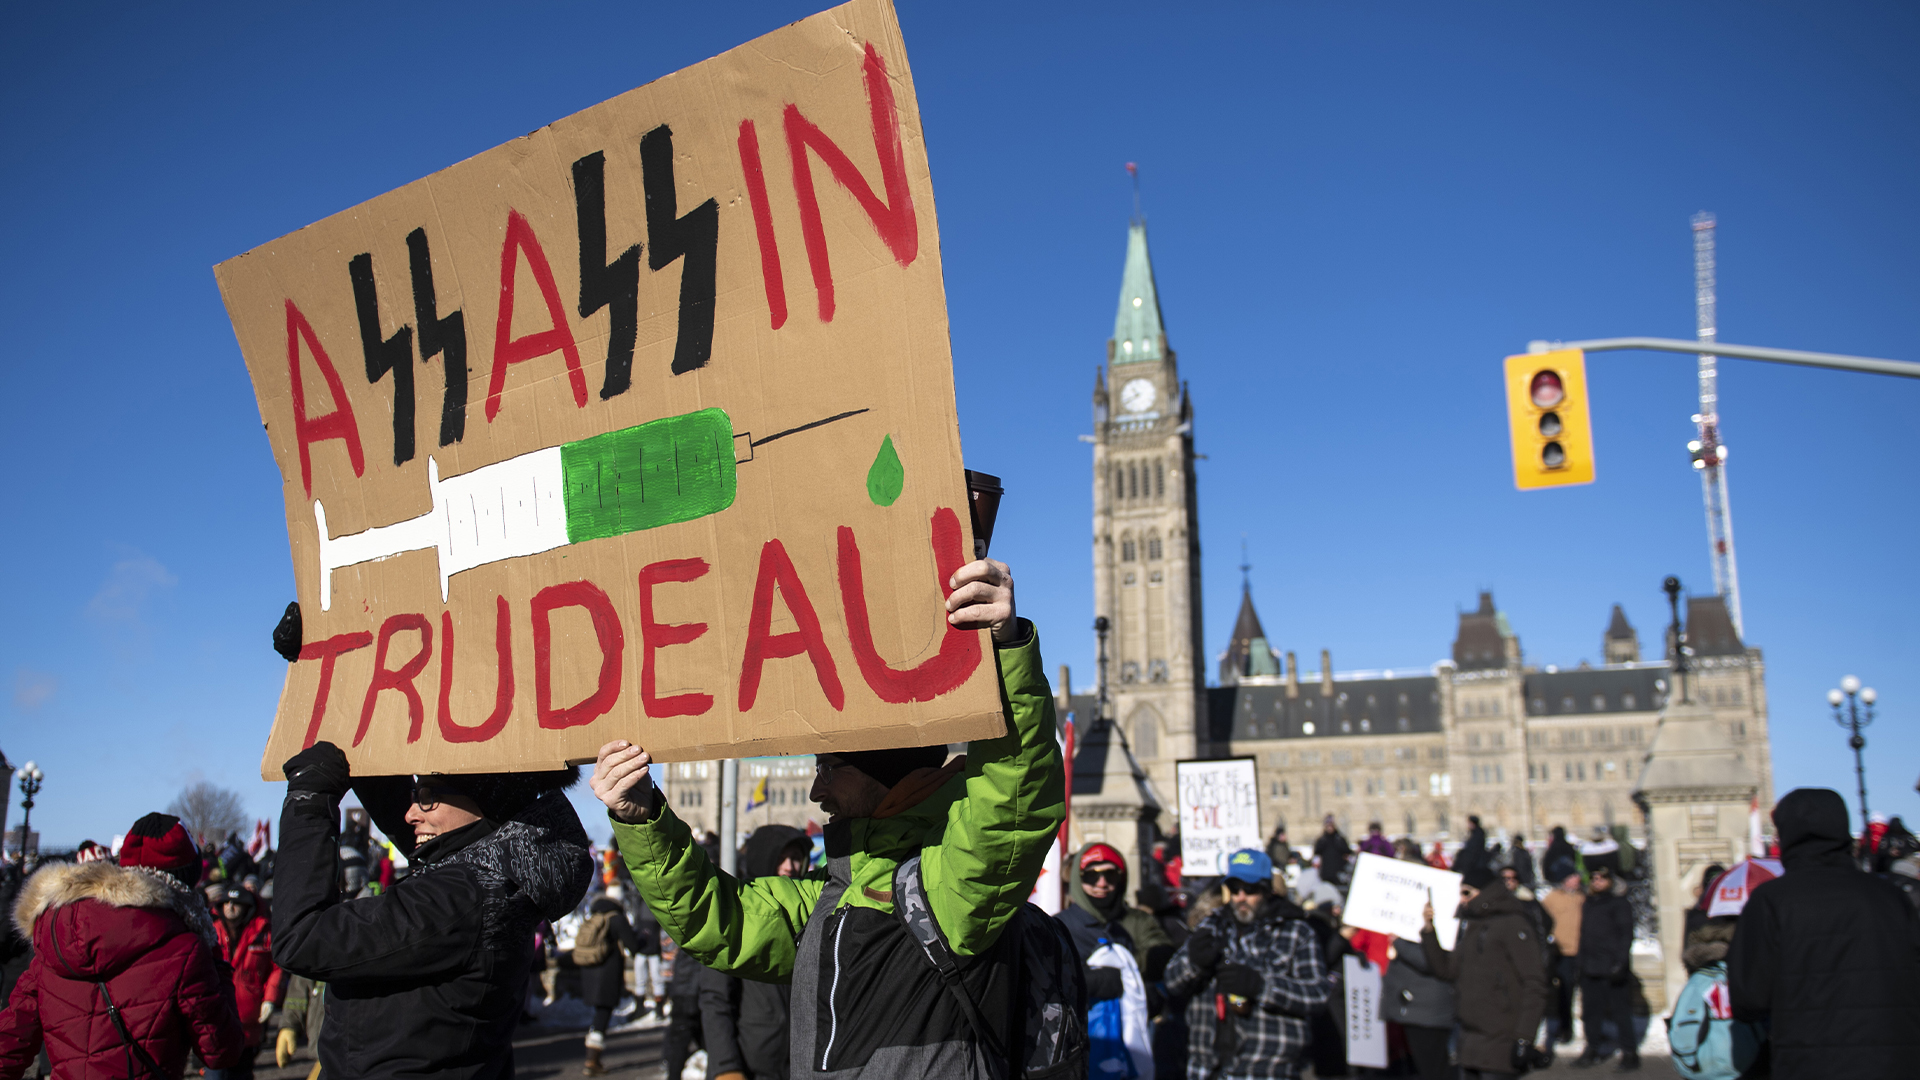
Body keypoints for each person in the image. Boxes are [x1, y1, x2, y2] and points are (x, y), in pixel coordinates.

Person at [592, 557, 1072, 1080]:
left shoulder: (950, 890)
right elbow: (716, 923)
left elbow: (1010, 801)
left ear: (884, 769)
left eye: (830, 768)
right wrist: (643, 819)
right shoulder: (828, 898)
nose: (817, 789)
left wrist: (1007, 651)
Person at [272, 745, 594, 1080]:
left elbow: (302, 937)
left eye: (426, 796)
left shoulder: (462, 896)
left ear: (485, 805)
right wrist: (365, 746)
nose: (411, 813)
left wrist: (308, 799)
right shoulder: (490, 874)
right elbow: (435, 833)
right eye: (415, 793)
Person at [0, 812, 247, 1080]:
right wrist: (216, 964)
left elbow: (10, 1044)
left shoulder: (57, 937)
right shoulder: (185, 949)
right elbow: (221, 1051)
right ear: (185, 882)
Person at [1728, 787, 1920, 1079]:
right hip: (1894, 1061)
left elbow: (1748, 998)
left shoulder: (1771, 900)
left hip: (1810, 1061)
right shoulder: (1890, 896)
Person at [1161, 849, 1327, 1080]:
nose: (1240, 897)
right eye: (1234, 889)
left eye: (1249, 890)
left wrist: (1262, 986)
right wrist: (1195, 963)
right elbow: (1171, 981)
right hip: (1207, 1068)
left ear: (1266, 890)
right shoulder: (1212, 925)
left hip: (1266, 1069)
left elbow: (1318, 995)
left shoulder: (1296, 932)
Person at [700, 826, 814, 1080]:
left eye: (795, 857)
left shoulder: (814, 915)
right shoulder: (736, 914)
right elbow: (715, 999)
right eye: (781, 858)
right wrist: (726, 1067)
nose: (789, 866)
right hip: (751, 1066)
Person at [1420, 866, 1547, 1079]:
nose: (1461, 899)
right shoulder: (1472, 925)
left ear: (1485, 892)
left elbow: (1535, 983)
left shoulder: (1513, 923)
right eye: (1460, 893)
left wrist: (1524, 1037)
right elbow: (1447, 970)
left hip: (1502, 1037)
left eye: (1467, 892)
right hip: (1470, 1039)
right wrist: (1429, 931)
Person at [1059, 843, 1168, 1079]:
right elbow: (1045, 986)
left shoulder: (1120, 930)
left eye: (1110, 874)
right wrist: (1094, 981)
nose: (1102, 884)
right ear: (1078, 880)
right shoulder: (1059, 928)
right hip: (1077, 1055)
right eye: (1091, 875)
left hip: (1121, 1058)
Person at [207, 883, 286, 1080]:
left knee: (241, 1073)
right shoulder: (210, 931)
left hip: (249, 1016)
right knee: (215, 1074)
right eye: (226, 903)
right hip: (215, 1014)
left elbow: (276, 969)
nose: (230, 908)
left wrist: (270, 999)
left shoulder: (264, 932)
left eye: (236, 903)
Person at [1571, 865, 1636, 1070]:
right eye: (1594, 878)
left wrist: (1621, 962)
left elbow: (1626, 935)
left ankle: (1630, 1052)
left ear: (1610, 881)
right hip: (1590, 966)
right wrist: (1580, 962)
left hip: (1612, 966)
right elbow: (1583, 935)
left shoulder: (1619, 903)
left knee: (1620, 1011)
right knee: (1591, 1012)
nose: (1597, 881)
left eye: (1602, 878)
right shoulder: (1588, 903)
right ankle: (1592, 1047)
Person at [576, 885, 642, 1075]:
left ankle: (592, 1057)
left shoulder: (595, 915)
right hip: (608, 974)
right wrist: (642, 940)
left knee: (599, 1014)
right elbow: (633, 946)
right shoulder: (617, 919)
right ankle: (592, 1060)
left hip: (591, 973)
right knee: (602, 1015)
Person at [1383, 935, 1456, 1080]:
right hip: (1418, 1009)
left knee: (1436, 1071)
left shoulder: (1440, 928)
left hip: (1428, 1012)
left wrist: (1399, 942)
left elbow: (1431, 961)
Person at [1539, 870, 1584, 1045]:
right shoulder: (1552, 898)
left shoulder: (1583, 898)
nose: (1576, 880)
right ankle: (1565, 1028)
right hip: (1561, 952)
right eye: (1573, 877)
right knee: (1564, 992)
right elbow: (1541, 918)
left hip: (1581, 951)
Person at [1313, 817, 1353, 885]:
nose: (1329, 828)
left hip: (1338, 871)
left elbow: (1347, 851)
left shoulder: (1339, 839)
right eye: (1328, 826)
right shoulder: (1322, 840)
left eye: (1331, 826)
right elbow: (1317, 851)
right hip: (1326, 872)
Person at [1452, 815, 1489, 884]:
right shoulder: (1475, 833)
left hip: (1475, 866)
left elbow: (1472, 851)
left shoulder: (1477, 835)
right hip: (1475, 865)